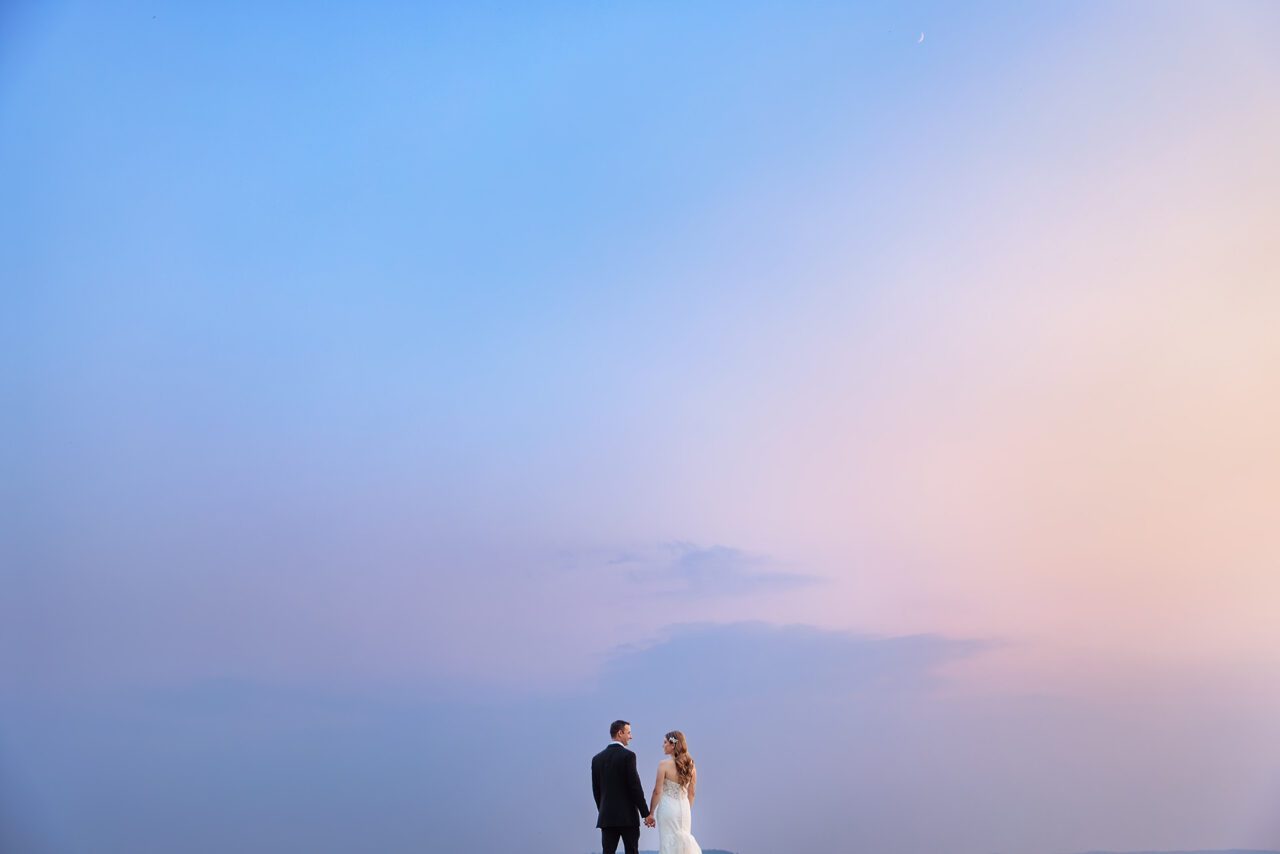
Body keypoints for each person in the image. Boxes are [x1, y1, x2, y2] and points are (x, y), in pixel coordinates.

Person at [591, 720, 651, 854]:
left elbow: (596, 791)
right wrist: (645, 813)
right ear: (620, 733)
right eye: (629, 733)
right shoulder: (628, 756)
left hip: (606, 817)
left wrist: (603, 810)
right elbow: (635, 787)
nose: (631, 736)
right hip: (628, 817)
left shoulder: (597, 759)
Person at [648, 730, 701, 854]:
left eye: (665, 742)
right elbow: (692, 793)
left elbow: (657, 791)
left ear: (673, 745)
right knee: (683, 842)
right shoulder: (691, 765)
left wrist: (651, 813)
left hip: (668, 808)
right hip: (685, 809)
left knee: (667, 841)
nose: (663, 745)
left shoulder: (663, 765)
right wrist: (687, 808)